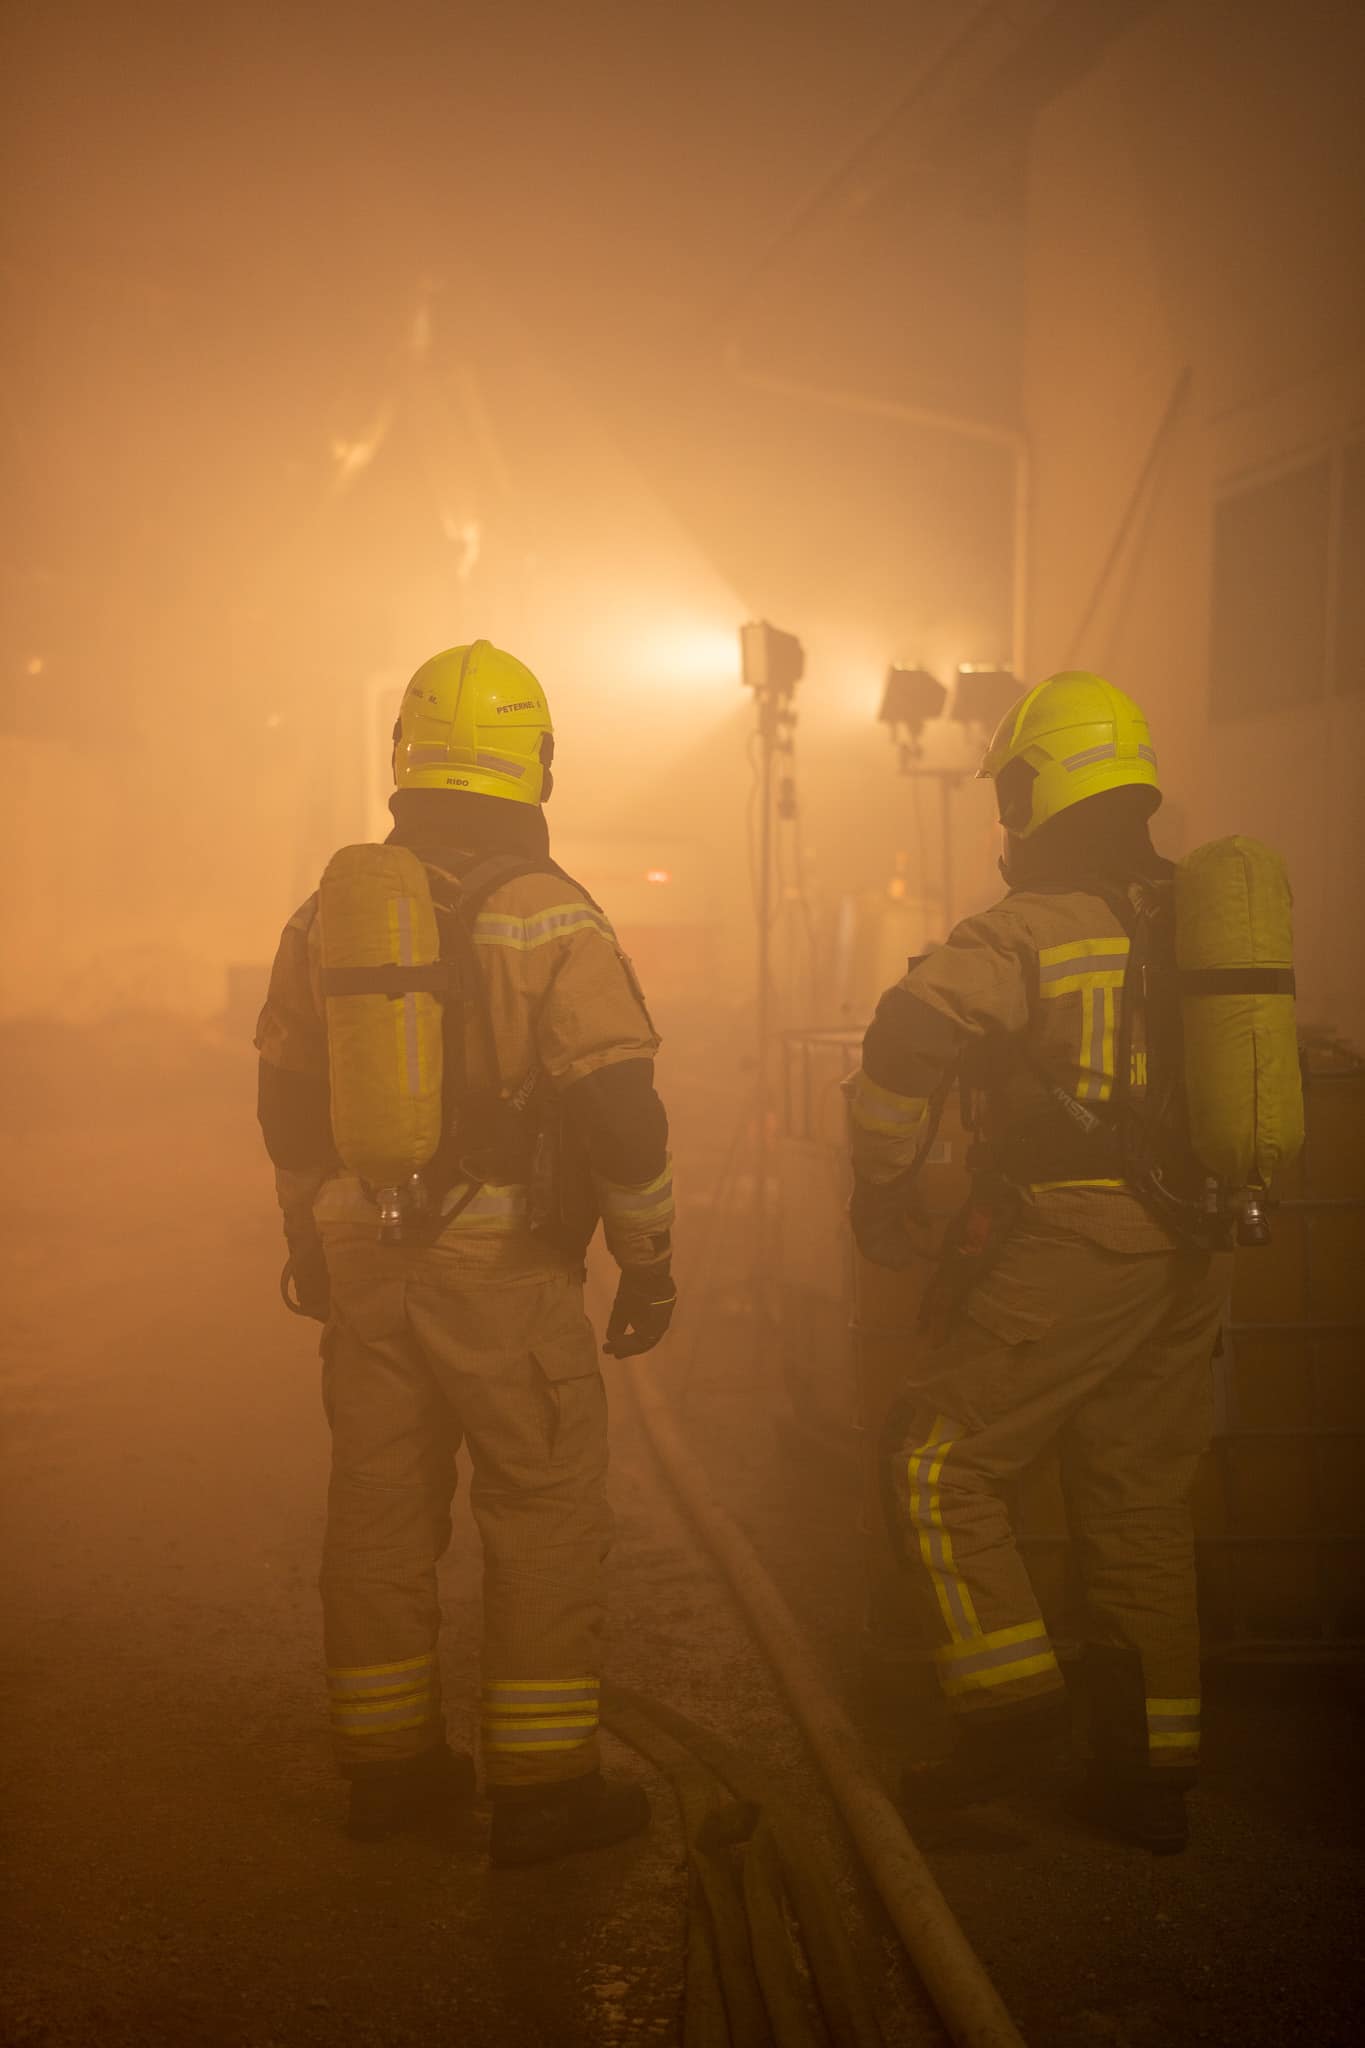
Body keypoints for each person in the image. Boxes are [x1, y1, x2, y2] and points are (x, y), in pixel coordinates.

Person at [255, 640, 676, 1865]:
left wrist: (311, 1242)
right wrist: (647, 1258)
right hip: (505, 1277)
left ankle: (390, 1774)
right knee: (540, 1512)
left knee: (379, 1512)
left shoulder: (319, 914)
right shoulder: (552, 913)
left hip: (366, 1259)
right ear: (536, 761)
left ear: (403, 755)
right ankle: (543, 1793)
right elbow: (619, 1110)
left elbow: (286, 1104)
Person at [846, 670, 1230, 1854]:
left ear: (1039, 785)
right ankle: (1147, 1774)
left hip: (1080, 1234)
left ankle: (1006, 1698)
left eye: (1012, 789)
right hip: (1196, 1243)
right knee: (1139, 1498)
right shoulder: (1198, 923)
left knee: (934, 1457)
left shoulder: (1031, 926)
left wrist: (882, 1174)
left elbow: (909, 1034)